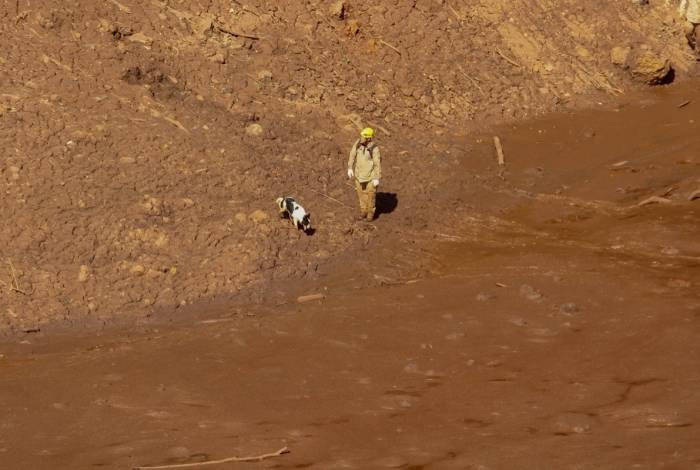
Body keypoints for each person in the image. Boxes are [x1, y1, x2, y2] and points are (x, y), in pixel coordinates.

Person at [347, 127, 382, 221]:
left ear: (368, 138)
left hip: (370, 177)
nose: (361, 138)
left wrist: (377, 177)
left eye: (363, 136)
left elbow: (377, 163)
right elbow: (352, 154)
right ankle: (363, 211)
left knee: (370, 196)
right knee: (361, 195)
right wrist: (350, 167)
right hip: (359, 176)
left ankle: (370, 215)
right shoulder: (358, 143)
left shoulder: (374, 149)